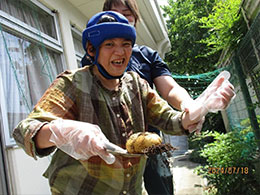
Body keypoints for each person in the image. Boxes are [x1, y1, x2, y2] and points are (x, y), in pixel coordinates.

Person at [13, 11, 235, 195]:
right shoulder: (73, 83)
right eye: (109, 44)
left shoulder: (136, 84)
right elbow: (26, 131)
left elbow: (170, 120)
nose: (120, 52)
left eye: (126, 44)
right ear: (92, 50)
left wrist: (198, 108)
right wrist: (60, 131)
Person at [80, 0, 203, 194]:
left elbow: (169, 89)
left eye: (127, 14)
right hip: (112, 146)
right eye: (114, 14)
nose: (122, 19)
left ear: (136, 20)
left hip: (150, 140)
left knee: (161, 188)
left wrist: (188, 105)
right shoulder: (93, 59)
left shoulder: (147, 56)